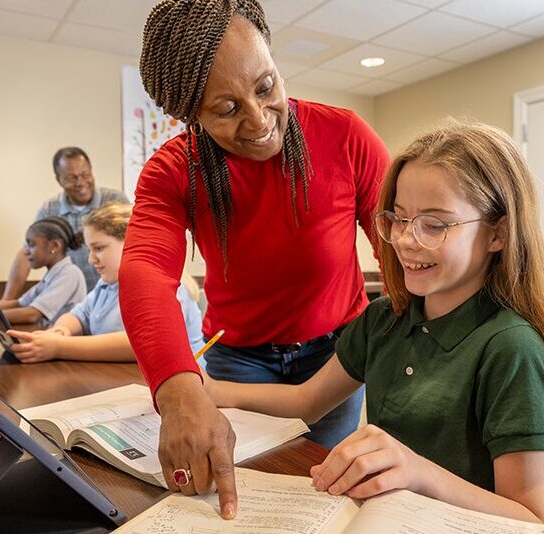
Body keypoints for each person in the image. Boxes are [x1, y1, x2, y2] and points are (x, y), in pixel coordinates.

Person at [205, 122, 544, 525]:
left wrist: (416, 472)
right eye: (399, 219)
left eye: (434, 224)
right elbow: (308, 401)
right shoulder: (384, 318)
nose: (404, 240)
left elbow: (536, 520)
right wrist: (209, 391)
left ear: (498, 233)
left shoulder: (510, 347)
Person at [119, 0, 390, 519]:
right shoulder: (174, 170)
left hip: (336, 355)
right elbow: (146, 271)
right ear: (190, 115)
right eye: (226, 109)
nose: (260, 119)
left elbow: (401, 254)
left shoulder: (346, 135)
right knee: (238, 502)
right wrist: (177, 393)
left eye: (266, 87)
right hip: (239, 361)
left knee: (319, 498)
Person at [4, 203, 205, 363]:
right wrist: (59, 331)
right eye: (90, 250)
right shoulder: (106, 285)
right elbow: (78, 315)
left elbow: (139, 344)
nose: (91, 259)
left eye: (98, 248)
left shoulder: (164, 285)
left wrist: (60, 346)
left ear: (132, 242)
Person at [3, 146, 128, 299]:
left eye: (85, 174)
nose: (80, 182)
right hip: (74, 300)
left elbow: (137, 245)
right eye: (72, 178)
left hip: (115, 294)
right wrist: (6, 300)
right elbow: (26, 253)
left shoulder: (116, 201)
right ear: (59, 180)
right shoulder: (49, 209)